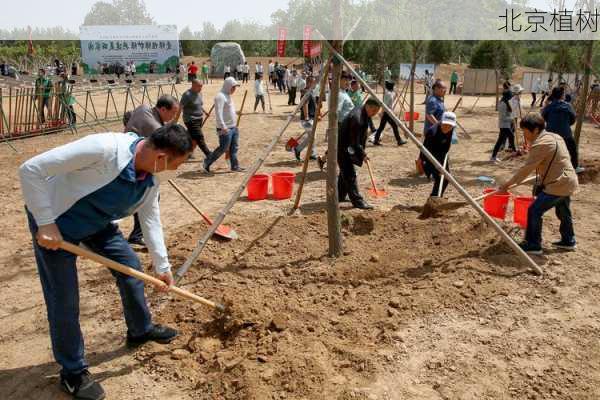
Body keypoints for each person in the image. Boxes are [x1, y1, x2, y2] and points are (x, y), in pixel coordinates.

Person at [19, 125, 193, 400]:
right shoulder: (104, 149)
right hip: (56, 225)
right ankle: (73, 372)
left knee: (131, 268)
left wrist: (163, 267)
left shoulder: (151, 177)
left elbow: (150, 218)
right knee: (64, 299)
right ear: (160, 156)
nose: (174, 171)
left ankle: (140, 329)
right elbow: (30, 169)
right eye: (176, 164)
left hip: (99, 223)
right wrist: (45, 222)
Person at [498, 113, 578, 254]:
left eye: (525, 131)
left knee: (534, 210)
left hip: (557, 184)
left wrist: (506, 185)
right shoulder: (555, 136)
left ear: (535, 130)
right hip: (569, 181)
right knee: (563, 210)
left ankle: (533, 244)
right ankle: (568, 240)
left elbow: (525, 170)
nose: (524, 135)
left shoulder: (542, 144)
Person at [125, 96, 180, 247]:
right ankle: (136, 235)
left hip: (134, 159)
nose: (173, 117)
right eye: (173, 113)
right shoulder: (155, 128)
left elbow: (128, 116)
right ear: (163, 109)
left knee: (145, 198)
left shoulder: (143, 108)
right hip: (132, 164)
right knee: (146, 197)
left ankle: (137, 234)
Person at [337, 98, 382, 210]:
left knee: (345, 174)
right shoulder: (357, 119)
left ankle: (339, 196)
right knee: (350, 175)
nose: (375, 114)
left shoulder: (362, 111)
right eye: (375, 111)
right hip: (344, 148)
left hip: (346, 146)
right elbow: (355, 143)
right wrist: (363, 155)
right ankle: (358, 202)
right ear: (369, 107)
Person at [203, 77, 244, 173]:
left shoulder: (228, 95)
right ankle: (207, 162)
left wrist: (236, 112)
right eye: (233, 87)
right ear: (228, 86)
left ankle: (235, 166)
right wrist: (223, 126)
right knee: (223, 148)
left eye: (235, 87)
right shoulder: (220, 97)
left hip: (233, 127)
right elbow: (218, 113)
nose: (234, 90)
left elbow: (229, 110)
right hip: (225, 128)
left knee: (234, 147)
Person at [420, 112, 457, 197]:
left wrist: (444, 165)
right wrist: (439, 168)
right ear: (441, 122)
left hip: (441, 155)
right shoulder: (432, 132)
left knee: (446, 178)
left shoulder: (450, 130)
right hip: (428, 157)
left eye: (450, 126)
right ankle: (434, 198)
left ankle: (437, 197)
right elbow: (427, 152)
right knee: (439, 178)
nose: (447, 128)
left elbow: (446, 147)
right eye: (445, 125)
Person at [541, 86, 578, 170]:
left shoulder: (549, 106)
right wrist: (566, 125)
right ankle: (575, 167)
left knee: (550, 152)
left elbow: (543, 117)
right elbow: (573, 119)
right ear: (562, 95)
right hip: (566, 134)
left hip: (551, 134)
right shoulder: (568, 106)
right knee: (573, 150)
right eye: (564, 93)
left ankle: (547, 168)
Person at [178, 79, 212, 158]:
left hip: (199, 118)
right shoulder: (187, 95)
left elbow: (199, 105)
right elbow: (180, 107)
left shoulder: (199, 93)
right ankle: (209, 154)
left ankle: (188, 153)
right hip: (190, 119)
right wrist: (176, 118)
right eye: (199, 86)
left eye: (201, 86)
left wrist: (205, 112)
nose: (201, 88)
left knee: (193, 138)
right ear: (193, 85)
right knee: (199, 136)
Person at [373, 81, 407, 146]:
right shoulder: (387, 94)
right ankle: (399, 140)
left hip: (388, 112)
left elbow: (392, 99)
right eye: (393, 86)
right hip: (387, 112)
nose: (394, 87)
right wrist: (381, 112)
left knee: (382, 127)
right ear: (391, 87)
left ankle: (376, 140)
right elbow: (384, 104)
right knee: (394, 126)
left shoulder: (390, 93)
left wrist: (396, 95)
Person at [294, 76, 318, 161]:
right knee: (312, 137)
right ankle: (298, 149)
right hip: (306, 119)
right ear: (309, 83)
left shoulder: (310, 92)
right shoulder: (306, 93)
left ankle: (312, 153)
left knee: (311, 136)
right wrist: (307, 116)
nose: (315, 84)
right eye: (314, 82)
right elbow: (305, 105)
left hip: (310, 118)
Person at [491, 90, 517, 162]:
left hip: (506, 125)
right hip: (503, 125)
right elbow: (502, 117)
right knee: (511, 136)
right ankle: (514, 151)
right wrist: (511, 119)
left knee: (500, 141)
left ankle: (493, 157)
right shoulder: (503, 104)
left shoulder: (506, 102)